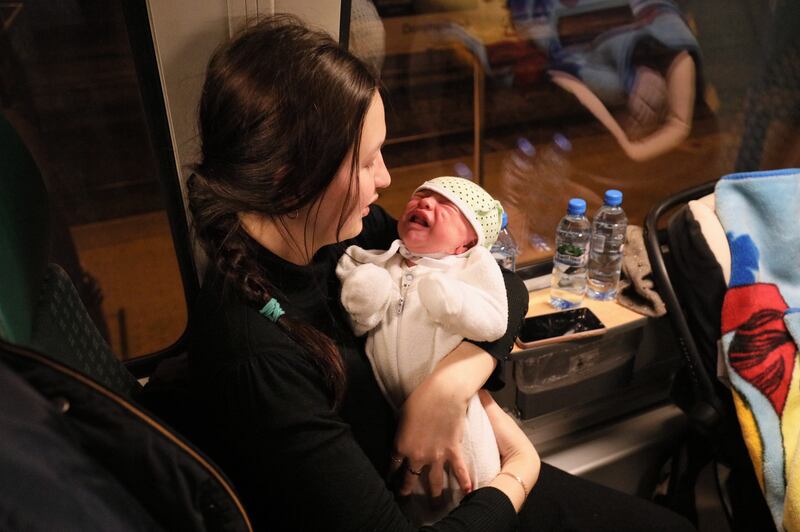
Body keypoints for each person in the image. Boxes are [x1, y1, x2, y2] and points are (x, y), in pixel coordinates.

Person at [182, 14, 695, 532]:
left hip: (465, 474)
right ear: (290, 180)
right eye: (365, 163)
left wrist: (448, 387)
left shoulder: (328, 235)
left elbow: (504, 287)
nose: (384, 180)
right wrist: (520, 469)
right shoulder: (257, 359)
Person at [336, 177, 509, 523]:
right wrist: (367, 291)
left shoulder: (467, 270)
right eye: (421, 196)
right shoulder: (377, 259)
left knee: (471, 480)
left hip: (459, 420)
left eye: (446, 205)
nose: (426, 204)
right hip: (394, 420)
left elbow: (494, 320)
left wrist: (451, 301)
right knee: (415, 505)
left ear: (466, 244)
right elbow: (359, 322)